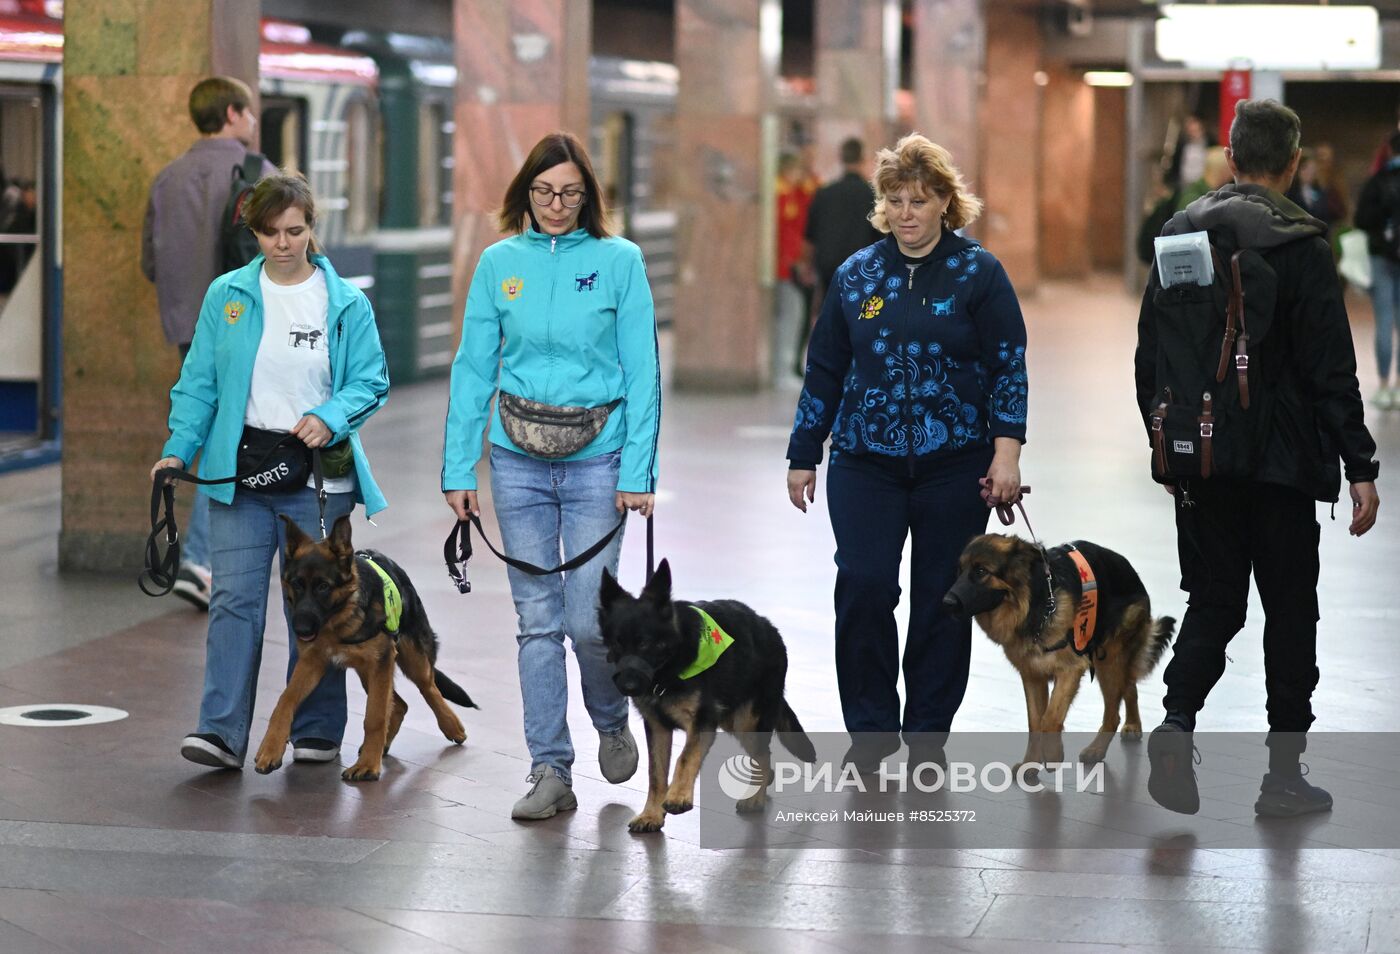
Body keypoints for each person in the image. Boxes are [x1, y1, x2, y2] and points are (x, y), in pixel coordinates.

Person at [1136, 99, 1380, 817]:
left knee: (1213, 601)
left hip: (1203, 464)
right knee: (1290, 612)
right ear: (1294, 164)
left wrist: (1173, 447)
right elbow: (1332, 369)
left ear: (1231, 158)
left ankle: (1177, 725)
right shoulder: (1303, 246)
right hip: (1282, 467)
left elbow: (1152, 357)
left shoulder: (1179, 236)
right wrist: (1360, 467)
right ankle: (1282, 777)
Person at [786, 132, 1028, 770]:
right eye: (894, 199)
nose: (906, 212)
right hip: (865, 461)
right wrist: (803, 451)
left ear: (946, 202)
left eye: (919, 199)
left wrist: (1007, 455)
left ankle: (926, 733)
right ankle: (870, 731)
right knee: (863, 585)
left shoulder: (980, 272)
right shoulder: (856, 273)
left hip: (956, 464)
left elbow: (1008, 367)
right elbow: (825, 368)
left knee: (942, 599)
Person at [442, 131, 661, 820]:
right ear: (525, 196)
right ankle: (549, 769)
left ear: (587, 196)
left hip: (601, 458)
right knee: (537, 621)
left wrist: (639, 467)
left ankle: (609, 717)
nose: (556, 204)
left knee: (588, 620)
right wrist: (458, 468)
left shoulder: (620, 262)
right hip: (517, 457)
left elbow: (644, 370)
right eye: (543, 192)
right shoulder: (498, 263)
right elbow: (474, 367)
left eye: (569, 192)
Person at [149, 173, 390, 770]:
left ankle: (315, 729)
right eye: (269, 232)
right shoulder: (226, 296)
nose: (282, 244)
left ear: (312, 227)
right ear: (253, 231)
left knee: (318, 603)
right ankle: (222, 732)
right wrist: (178, 450)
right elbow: (199, 384)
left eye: (295, 231)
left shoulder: (344, 302)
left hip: (314, 477)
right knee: (233, 599)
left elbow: (371, 380)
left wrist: (329, 416)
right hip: (241, 473)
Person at [142, 77, 276, 610]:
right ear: (230, 113)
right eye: (248, 111)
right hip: (242, 327)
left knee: (198, 429)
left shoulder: (165, 179)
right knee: (229, 437)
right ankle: (198, 557)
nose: (253, 121)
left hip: (185, 327)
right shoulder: (256, 173)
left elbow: (149, 263)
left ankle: (196, 551)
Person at [796, 137, 881, 376]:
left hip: (829, 268)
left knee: (830, 316)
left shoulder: (824, 194)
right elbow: (882, 238)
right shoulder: (872, 196)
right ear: (863, 159)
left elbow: (809, 237)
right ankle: (857, 366)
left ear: (841, 158)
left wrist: (805, 266)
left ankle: (831, 365)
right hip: (862, 270)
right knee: (861, 317)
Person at [1351, 130, 1400, 410]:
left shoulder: (1377, 181)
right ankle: (1399, 387)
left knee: (1383, 321)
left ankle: (1383, 386)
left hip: (1381, 258)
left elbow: (1361, 220)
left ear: (1389, 150)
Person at [776, 151, 818, 376]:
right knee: (790, 315)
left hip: (793, 262)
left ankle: (790, 365)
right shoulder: (780, 194)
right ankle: (784, 367)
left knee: (796, 314)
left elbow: (810, 198)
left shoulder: (792, 193)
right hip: (785, 265)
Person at [1174, 146, 1231, 212]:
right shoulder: (1192, 197)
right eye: (1229, 169)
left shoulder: (1219, 192)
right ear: (1222, 170)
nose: (1231, 174)